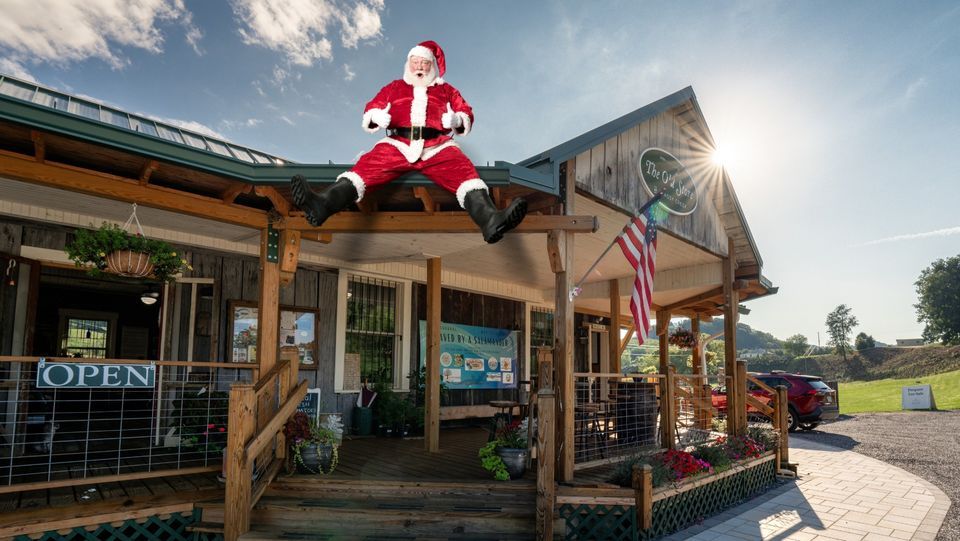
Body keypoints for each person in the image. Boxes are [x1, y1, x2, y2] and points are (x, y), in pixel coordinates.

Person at [291, 40, 527, 244]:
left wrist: (457, 118)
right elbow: (372, 106)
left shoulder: (446, 90)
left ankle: (490, 220)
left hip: (438, 146)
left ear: (432, 66)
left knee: (465, 174)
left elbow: (465, 111)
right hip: (398, 143)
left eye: (425, 63)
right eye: (416, 62)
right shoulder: (395, 87)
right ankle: (321, 205)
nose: (420, 67)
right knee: (363, 170)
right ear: (409, 64)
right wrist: (376, 116)